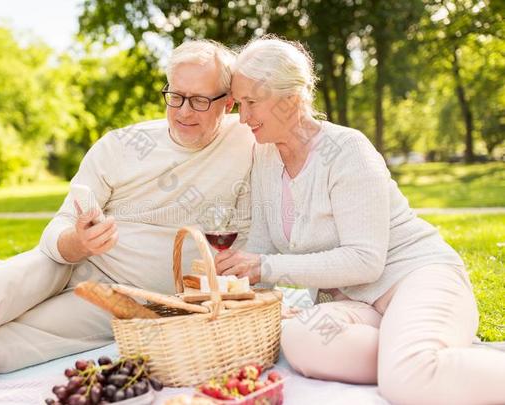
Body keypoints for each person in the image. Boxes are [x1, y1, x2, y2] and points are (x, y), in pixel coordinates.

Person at [0, 39, 255, 404]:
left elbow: (299, 125)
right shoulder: (122, 145)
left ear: (229, 103)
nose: (183, 111)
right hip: (69, 261)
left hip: (122, 299)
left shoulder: (249, 142)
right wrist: (77, 242)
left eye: (199, 100)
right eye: (175, 96)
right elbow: (60, 225)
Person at [215, 35, 505, 405]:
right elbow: (261, 246)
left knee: (408, 382)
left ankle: (417, 360)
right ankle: (420, 353)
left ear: (289, 100)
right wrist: (229, 280)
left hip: (416, 277)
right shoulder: (266, 159)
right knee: (301, 338)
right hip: (360, 307)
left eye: (251, 103)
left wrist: (264, 268)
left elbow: (365, 260)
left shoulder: (346, 150)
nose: (243, 117)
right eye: (240, 104)